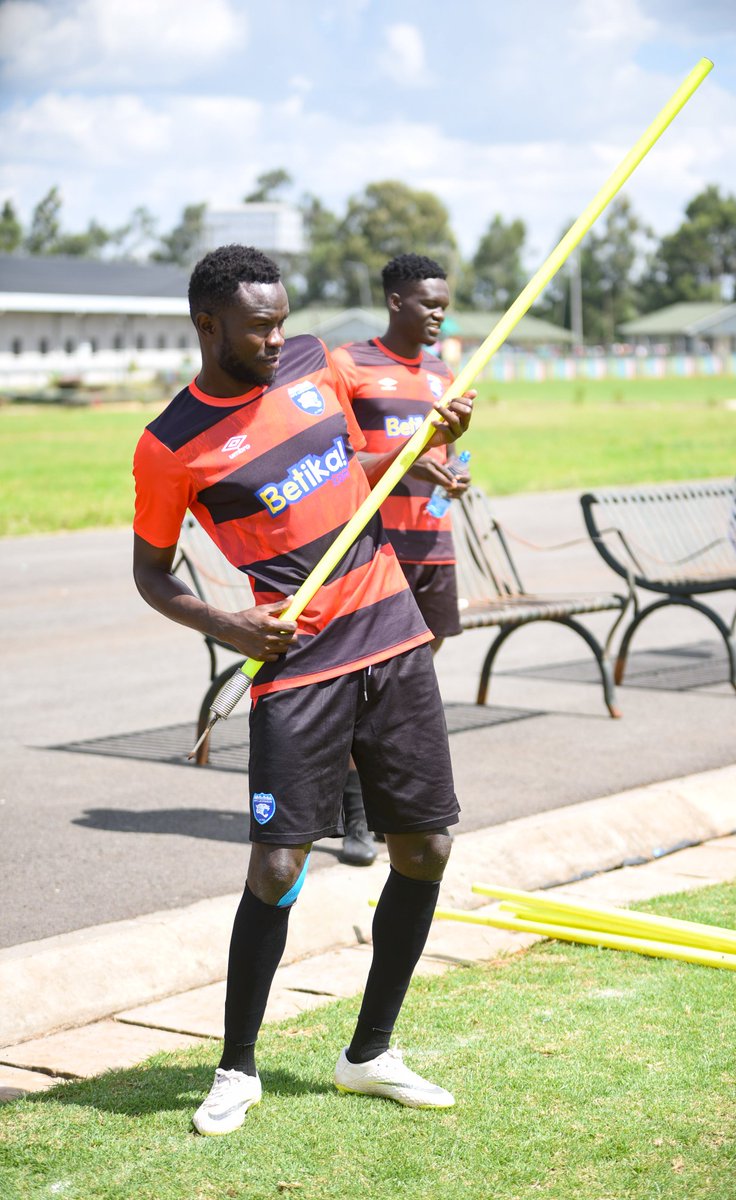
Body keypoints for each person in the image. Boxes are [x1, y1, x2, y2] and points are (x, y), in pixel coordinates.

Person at [131, 244, 474, 1135]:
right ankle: (236, 1067)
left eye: (283, 317)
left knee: (427, 847)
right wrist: (231, 626)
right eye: (258, 325)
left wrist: (429, 439)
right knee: (279, 865)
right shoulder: (169, 445)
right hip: (300, 661)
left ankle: (371, 1053)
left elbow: (352, 470)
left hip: (392, 632)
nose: (278, 336)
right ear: (209, 326)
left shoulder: (315, 362)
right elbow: (152, 575)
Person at [331, 253, 470, 866]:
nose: (439, 312)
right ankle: (357, 817)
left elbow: (450, 457)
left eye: (444, 303)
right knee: (366, 683)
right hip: (372, 547)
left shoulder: (443, 373)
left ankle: (388, 812)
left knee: (406, 686)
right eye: (427, 303)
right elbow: (332, 465)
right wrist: (405, 459)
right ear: (395, 301)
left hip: (432, 542)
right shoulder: (348, 366)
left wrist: (456, 470)